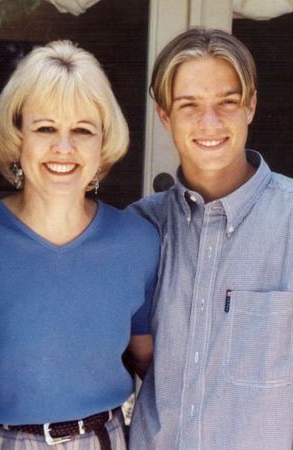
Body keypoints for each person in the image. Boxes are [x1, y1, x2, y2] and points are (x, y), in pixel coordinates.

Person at [0, 40, 159, 450]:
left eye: (82, 130)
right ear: (17, 136)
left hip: (102, 439)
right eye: (45, 128)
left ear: (103, 144)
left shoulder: (139, 242)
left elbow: (148, 362)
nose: (64, 147)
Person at [128, 28, 293, 450]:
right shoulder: (138, 229)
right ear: (164, 115)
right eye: (189, 106)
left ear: (251, 105)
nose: (210, 123)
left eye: (227, 102)